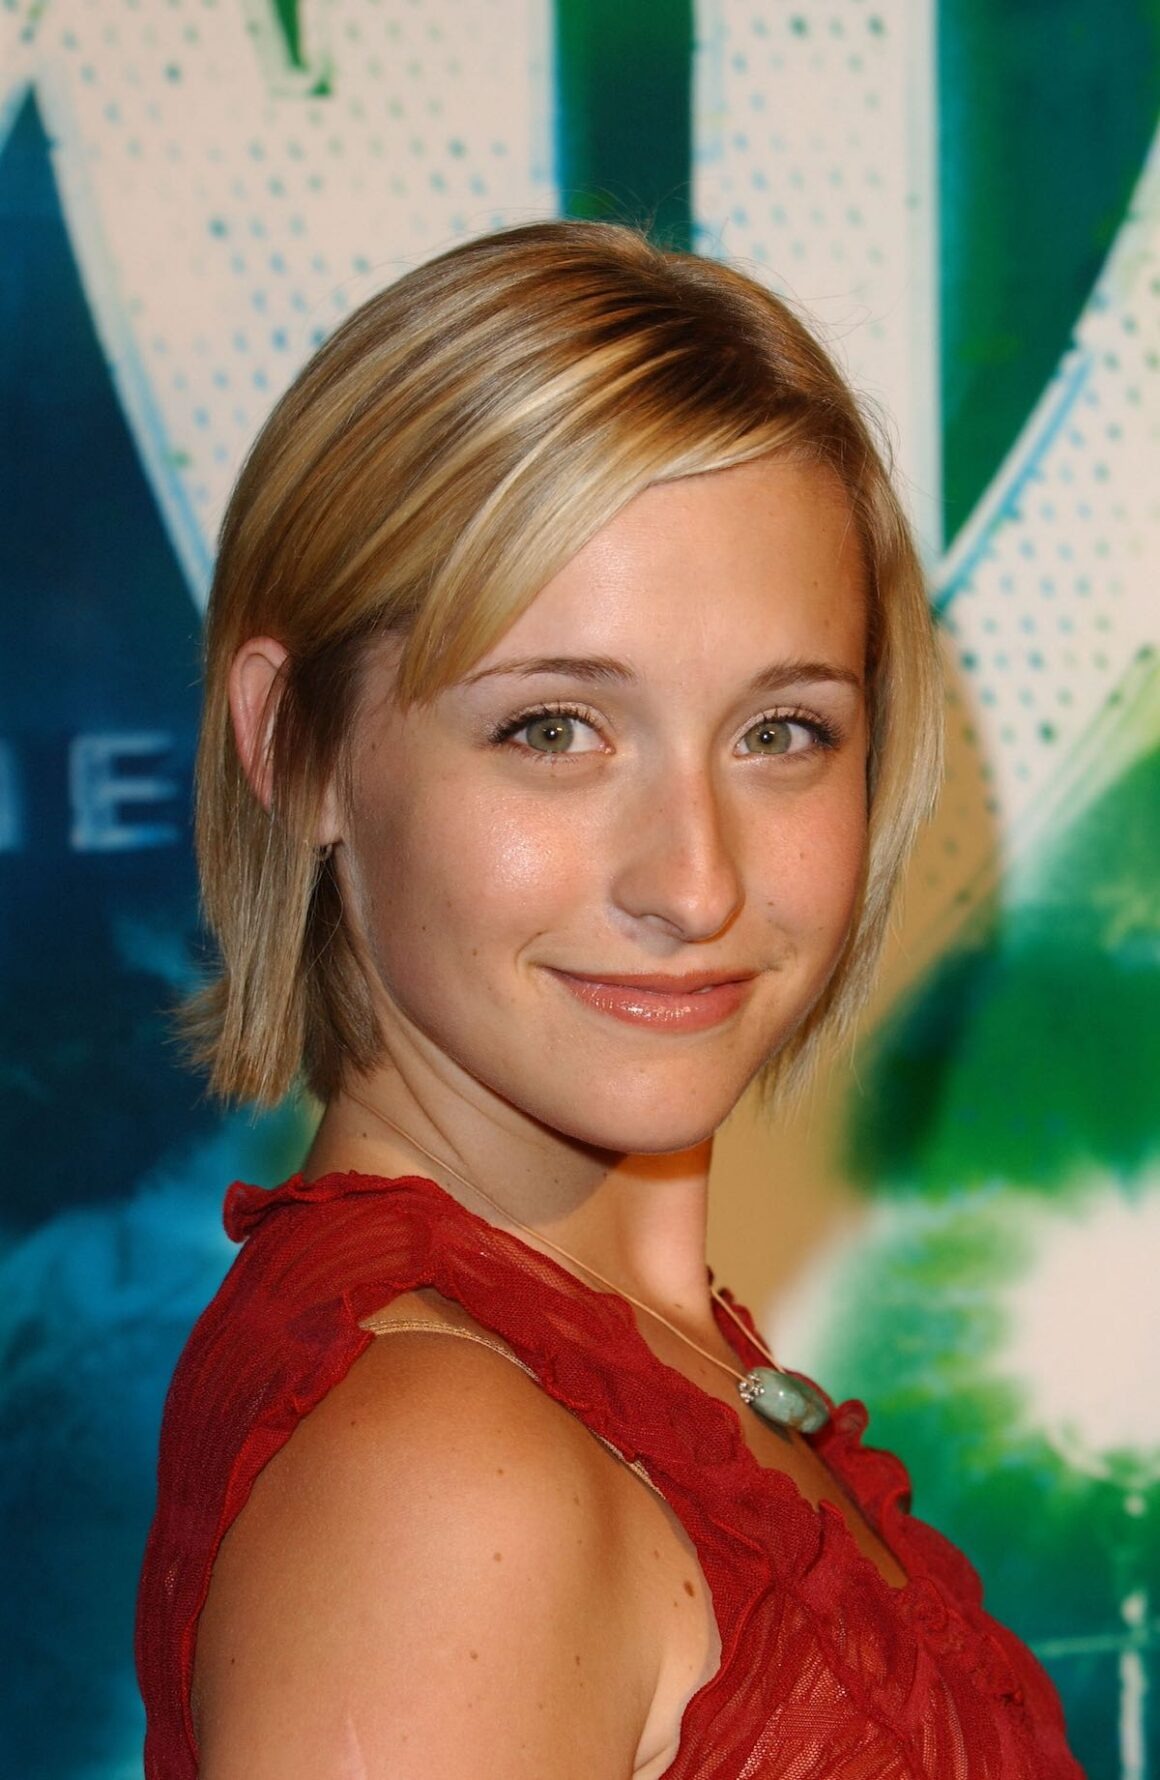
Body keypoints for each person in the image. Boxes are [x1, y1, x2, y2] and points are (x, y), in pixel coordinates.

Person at [136, 220, 1082, 1779]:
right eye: (556, 728)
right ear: (294, 748)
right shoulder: (446, 1485)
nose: (694, 885)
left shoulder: (613, 1367)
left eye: (780, 733)